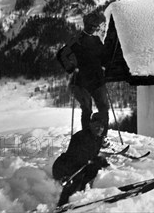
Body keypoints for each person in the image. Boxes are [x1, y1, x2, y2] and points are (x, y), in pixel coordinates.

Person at [52, 112, 110, 207]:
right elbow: (74, 157)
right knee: (77, 177)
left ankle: (83, 194)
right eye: (97, 126)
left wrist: (99, 161)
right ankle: (62, 204)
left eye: (101, 127)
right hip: (63, 166)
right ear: (91, 124)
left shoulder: (98, 139)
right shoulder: (80, 136)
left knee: (94, 169)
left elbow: (91, 156)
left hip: (80, 165)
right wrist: (92, 160)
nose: (99, 129)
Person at [70, 11, 111, 141]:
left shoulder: (97, 40)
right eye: (91, 25)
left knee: (104, 108)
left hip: (97, 80)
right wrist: (71, 68)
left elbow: (105, 56)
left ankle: (102, 137)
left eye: (95, 26)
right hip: (81, 82)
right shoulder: (76, 41)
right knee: (87, 109)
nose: (93, 28)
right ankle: (87, 138)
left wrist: (104, 66)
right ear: (85, 25)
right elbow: (61, 55)